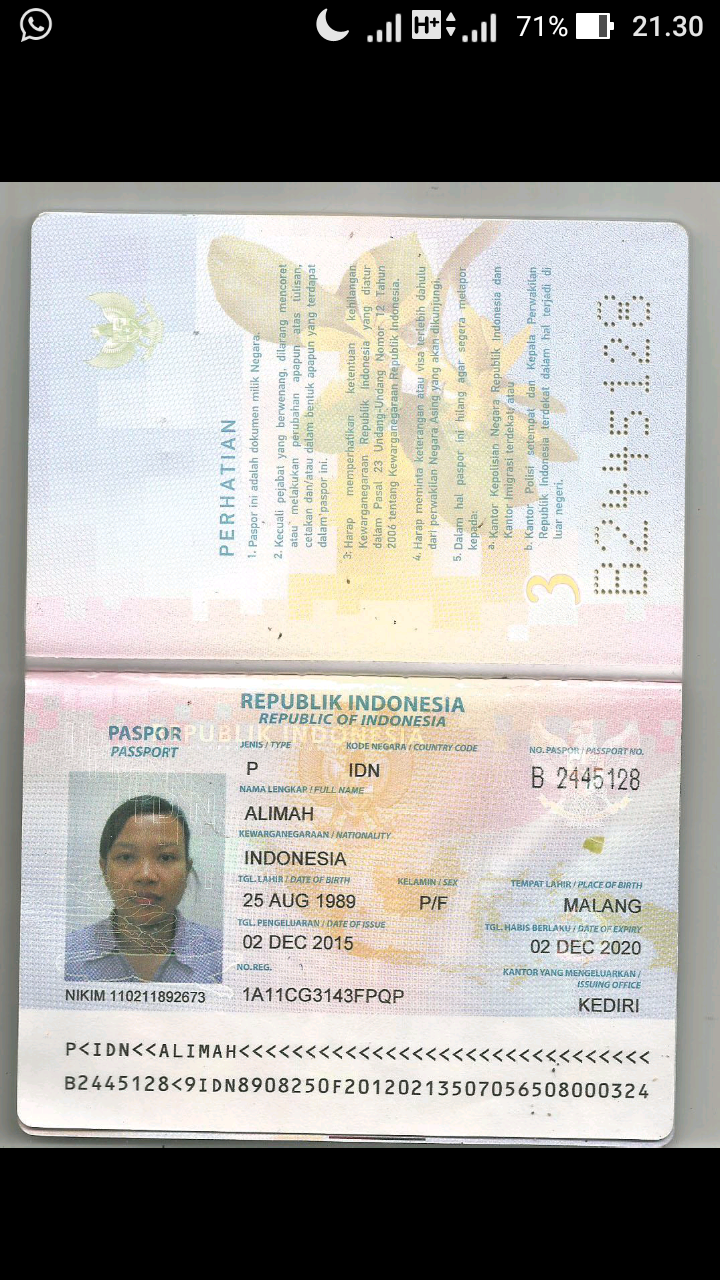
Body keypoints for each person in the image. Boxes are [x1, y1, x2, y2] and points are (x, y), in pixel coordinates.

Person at [65, 795, 223, 983]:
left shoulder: (222, 956)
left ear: (187, 870)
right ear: (104, 869)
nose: (146, 875)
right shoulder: (67, 956)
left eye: (165, 857)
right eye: (126, 857)